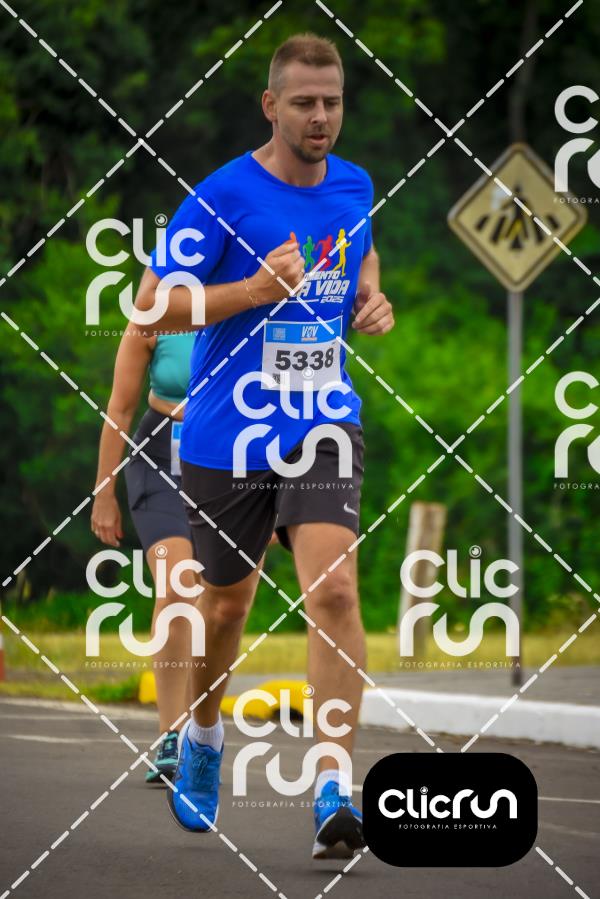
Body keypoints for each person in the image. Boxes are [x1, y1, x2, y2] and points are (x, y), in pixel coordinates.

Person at [134, 32, 394, 858]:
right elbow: (150, 307)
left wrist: (371, 297)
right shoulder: (220, 198)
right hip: (226, 433)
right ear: (270, 105)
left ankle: (332, 786)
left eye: (333, 102)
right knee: (225, 607)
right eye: (305, 102)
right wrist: (251, 289)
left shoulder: (355, 184)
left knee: (335, 590)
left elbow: (361, 250)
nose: (321, 116)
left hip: (322, 419)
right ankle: (204, 735)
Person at [91, 328, 197, 783]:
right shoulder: (156, 310)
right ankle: (172, 735)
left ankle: (202, 734)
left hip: (232, 459)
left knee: (222, 603)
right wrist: (103, 492)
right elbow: (119, 408)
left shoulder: (251, 302)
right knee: (178, 587)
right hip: (159, 460)